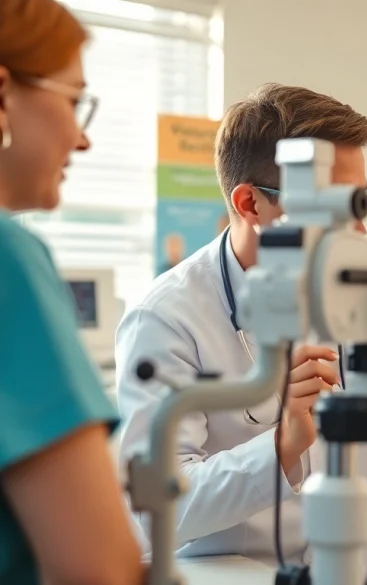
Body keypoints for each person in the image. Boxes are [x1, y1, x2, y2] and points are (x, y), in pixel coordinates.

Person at [115, 83, 367, 566]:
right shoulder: (166, 316)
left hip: (335, 564)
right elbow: (158, 505)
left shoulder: (340, 277)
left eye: (360, 201)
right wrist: (283, 444)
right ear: (250, 204)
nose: (360, 230)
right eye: (334, 207)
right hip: (223, 571)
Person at [0, 1, 144, 583]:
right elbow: (98, 568)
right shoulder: (10, 260)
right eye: (73, 100)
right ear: (4, 94)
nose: (82, 139)